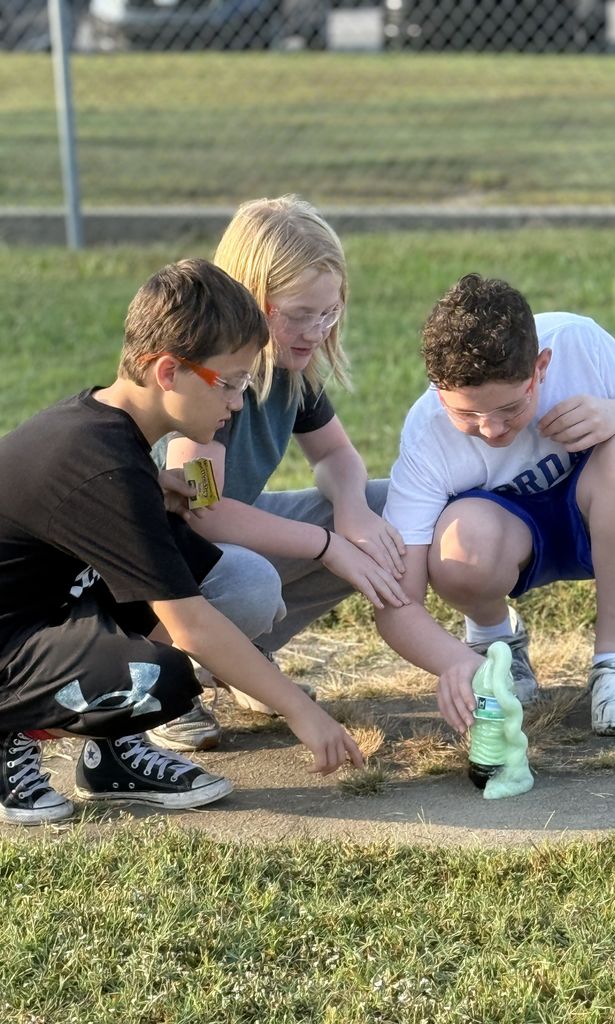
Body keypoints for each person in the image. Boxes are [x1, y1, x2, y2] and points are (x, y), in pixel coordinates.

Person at [0, 258, 363, 827]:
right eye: (233, 383)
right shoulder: (103, 466)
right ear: (168, 372)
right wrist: (300, 711)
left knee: (204, 580)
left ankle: (111, 757)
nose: (238, 403)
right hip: (10, 643)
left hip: (41, 615)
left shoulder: (113, 436)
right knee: (159, 676)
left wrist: (153, 493)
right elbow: (190, 624)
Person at [375, 273, 615, 739]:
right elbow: (397, 602)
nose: (491, 429)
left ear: (541, 366)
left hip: (601, 516)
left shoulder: (575, 341)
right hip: (507, 538)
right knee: (459, 545)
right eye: (466, 414)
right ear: (437, 388)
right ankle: (494, 642)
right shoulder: (427, 435)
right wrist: (456, 665)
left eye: (509, 408)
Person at [149, 195, 408, 753]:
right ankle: (167, 683)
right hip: (160, 571)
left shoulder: (294, 369)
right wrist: (328, 545)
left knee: (389, 510)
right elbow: (203, 511)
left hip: (218, 547)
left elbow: (336, 457)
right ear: (250, 299)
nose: (315, 331)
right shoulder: (211, 376)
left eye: (328, 313)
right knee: (250, 582)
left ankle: (244, 662)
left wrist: (352, 514)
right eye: (298, 314)